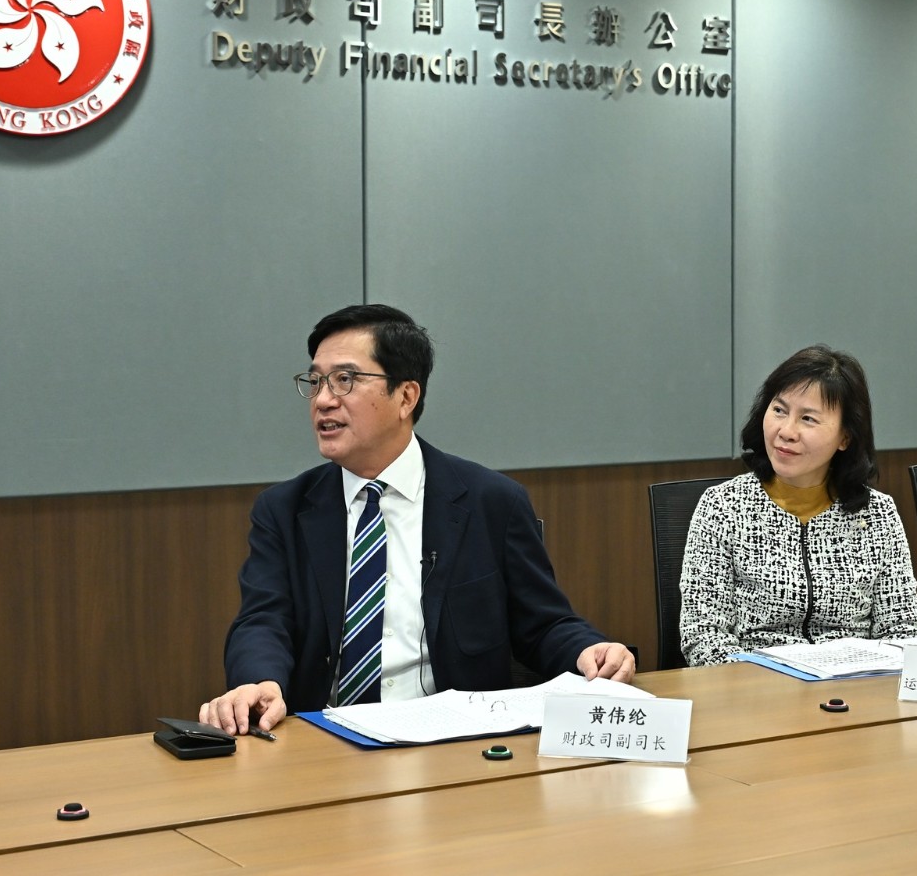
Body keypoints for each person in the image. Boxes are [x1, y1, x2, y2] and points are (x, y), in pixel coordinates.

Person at [200, 304, 633, 736]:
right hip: (326, 736)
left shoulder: (491, 501)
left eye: (345, 380)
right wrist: (259, 680)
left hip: (455, 741)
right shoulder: (283, 509)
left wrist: (589, 650)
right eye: (315, 382)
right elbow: (263, 619)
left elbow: (543, 623)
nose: (324, 400)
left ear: (406, 396)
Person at [678, 346, 917, 666]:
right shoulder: (724, 507)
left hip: (855, 681)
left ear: (845, 438)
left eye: (808, 418)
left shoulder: (877, 514)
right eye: (779, 410)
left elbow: (903, 629)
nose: (786, 432)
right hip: (757, 684)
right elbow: (704, 636)